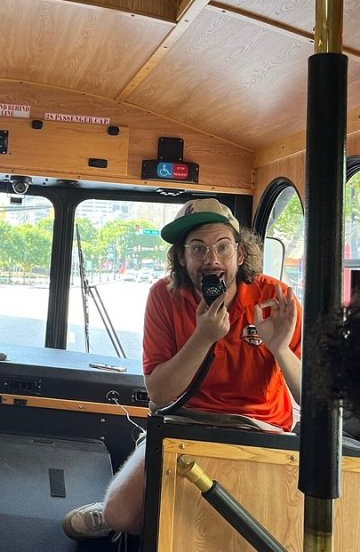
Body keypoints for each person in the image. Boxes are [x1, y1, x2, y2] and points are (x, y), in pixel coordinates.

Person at [63, 198, 302, 541]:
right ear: (181, 257)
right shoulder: (164, 296)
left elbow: (311, 397)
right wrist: (203, 338)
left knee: (260, 528)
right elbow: (160, 393)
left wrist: (279, 348)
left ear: (241, 254)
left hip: (261, 429)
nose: (212, 259)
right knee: (121, 513)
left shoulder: (275, 298)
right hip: (183, 420)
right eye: (198, 249)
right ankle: (113, 517)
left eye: (222, 246)